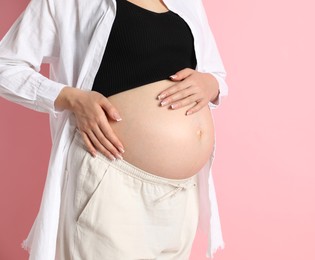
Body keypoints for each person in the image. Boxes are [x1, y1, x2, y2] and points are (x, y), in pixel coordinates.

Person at [0, 0, 228, 259]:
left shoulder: (188, 2)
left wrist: (211, 83)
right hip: (110, 182)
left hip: (182, 195)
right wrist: (70, 98)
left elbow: (215, 74)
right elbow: (5, 66)